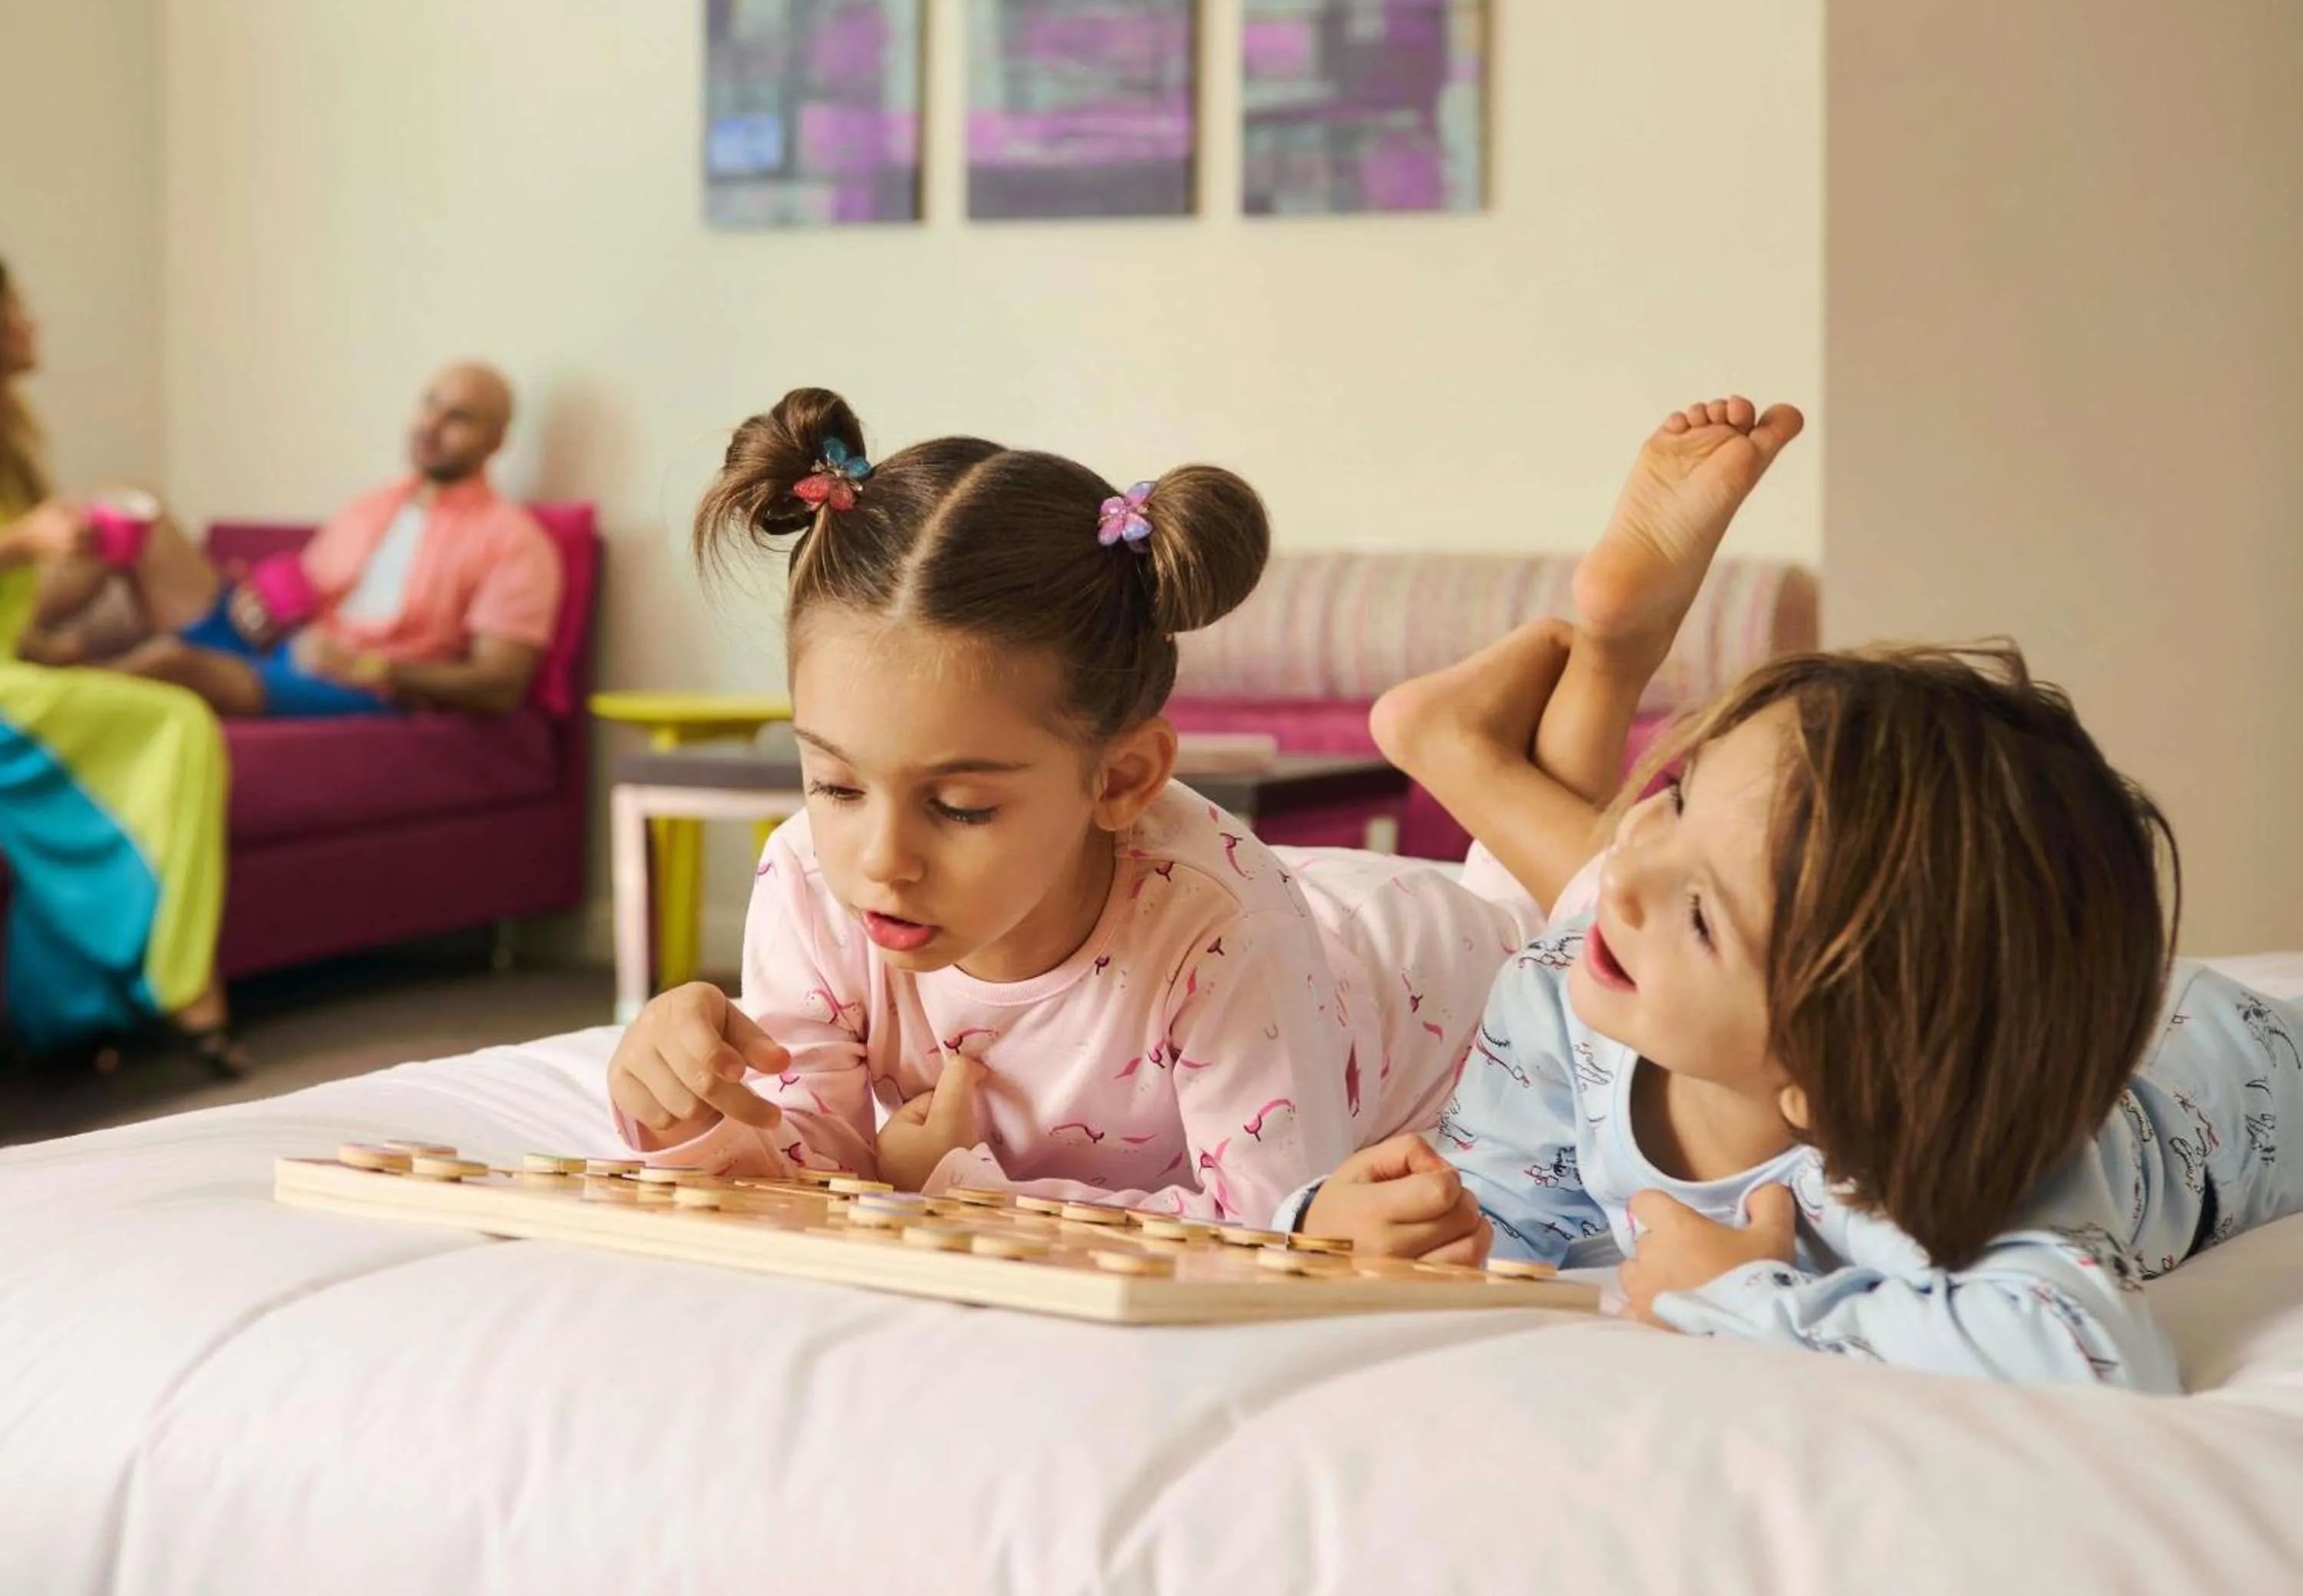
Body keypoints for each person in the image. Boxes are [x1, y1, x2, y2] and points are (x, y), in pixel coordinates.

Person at [1287, 395, 2303, 1390]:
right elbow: (1496, 1211)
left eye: (1700, 916)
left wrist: (1744, 1295)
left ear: (1827, 1078)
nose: (1624, 875)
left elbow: (2091, 1351)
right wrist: (1338, 1222)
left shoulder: (1916, 1167)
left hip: (2233, 1069)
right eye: (1676, 796)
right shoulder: (1562, 991)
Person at [604, 388, 1522, 1224]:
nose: (881, 858)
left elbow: (1271, 1224)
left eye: (960, 806)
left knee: (1546, 918)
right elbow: (816, 1168)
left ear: (1121, 781)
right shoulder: (813, 873)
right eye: (837, 785)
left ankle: (1527, 711)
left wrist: (944, 1187)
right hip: (1308, 904)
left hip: (1426, 967)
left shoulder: (1226, 934)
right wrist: (689, 1109)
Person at [0, 256, 238, 1069]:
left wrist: (48, 649)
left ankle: (66, 1016)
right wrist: (27, 539)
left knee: (175, 726)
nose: (33, 324)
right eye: (19, 308)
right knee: (176, 723)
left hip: (13, 672)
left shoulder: (16, 437)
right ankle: (186, 989)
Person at [29, 361, 563, 718]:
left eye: (459, 418)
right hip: (281, 647)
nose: (431, 424)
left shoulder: (515, 541)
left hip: (360, 685)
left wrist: (371, 667)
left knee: (171, 662)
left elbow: (500, 684)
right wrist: (258, 601)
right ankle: (21, 635)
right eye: (430, 404)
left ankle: (48, 705)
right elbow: (303, 599)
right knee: (129, 504)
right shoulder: (370, 506)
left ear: (495, 441)